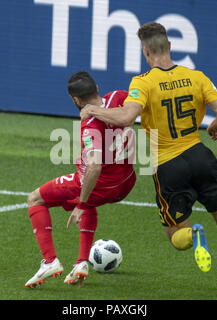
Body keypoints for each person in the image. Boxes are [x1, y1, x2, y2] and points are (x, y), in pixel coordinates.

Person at [80, 22, 217, 298]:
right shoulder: (197, 77)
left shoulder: (142, 82)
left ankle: (194, 236)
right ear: (170, 46)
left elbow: (125, 117)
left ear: (146, 52)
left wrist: (92, 109)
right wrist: (215, 125)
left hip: (168, 165)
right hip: (200, 155)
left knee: (174, 233)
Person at [25, 71, 136, 287]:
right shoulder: (119, 98)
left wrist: (80, 204)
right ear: (97, 88)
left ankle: (49, 261)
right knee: (86, 187)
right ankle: (82, 262)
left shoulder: (90, 125)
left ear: (76, 100)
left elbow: (95, 165)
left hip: (101, 185)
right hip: (126, 181)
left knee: (35, 199)